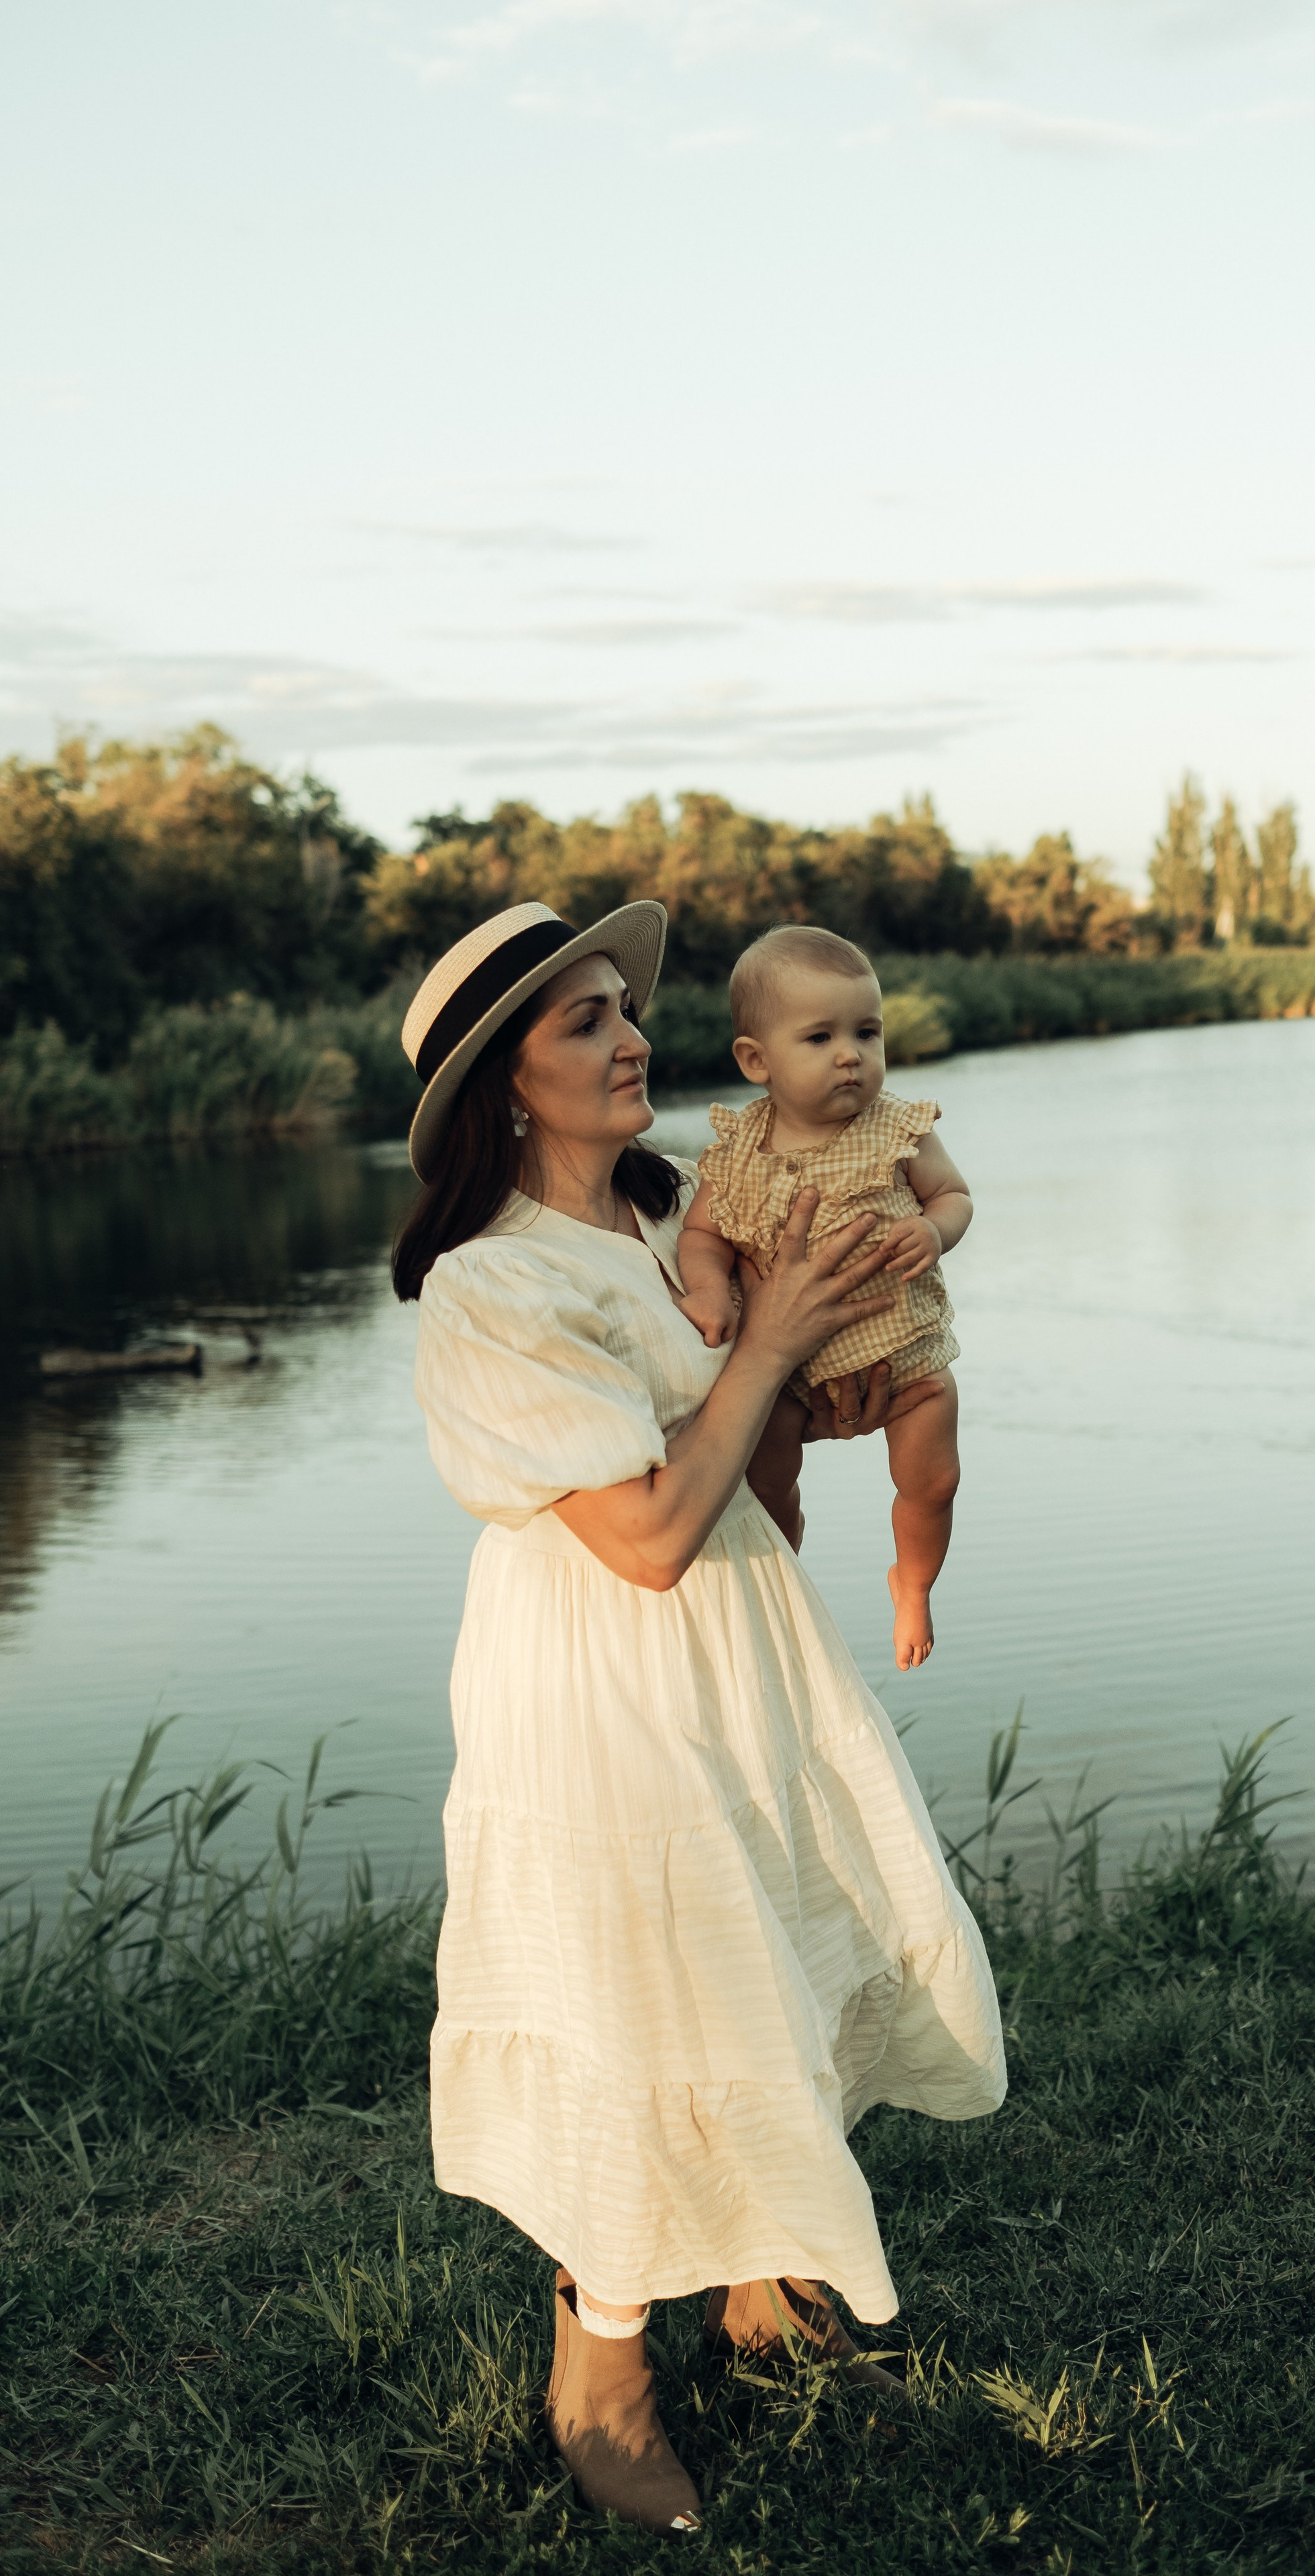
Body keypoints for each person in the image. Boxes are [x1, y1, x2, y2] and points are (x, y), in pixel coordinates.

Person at [391, 899, 1006, 2538]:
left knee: (776, 1936)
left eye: (624, 1007)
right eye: (584, 1020)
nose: (629, 1037)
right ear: (506, 1086)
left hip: (740, 1639)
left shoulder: (672, 1216)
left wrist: (866, 1349)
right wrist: (779, 1338)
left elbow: (754, 1415)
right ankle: (598, 2368)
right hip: (605, 1677)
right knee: (643, 1992)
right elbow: (648, 1531)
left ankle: (761, 2276)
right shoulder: (488, 1287)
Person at [677, 926, 969, 1671]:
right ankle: (784, 1586)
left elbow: (954, 1195)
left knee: (934, 1479)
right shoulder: (737, 1155)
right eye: (820, 1037)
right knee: (766, 1482)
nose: (851, 1055)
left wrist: (934, 1231)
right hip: (786, 1373)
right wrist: (709, 1289)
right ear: (756, 1061)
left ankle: (914, 1583)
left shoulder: (896, 1128)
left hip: (903, 1351)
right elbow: (703, 1235)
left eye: (867, 1032)